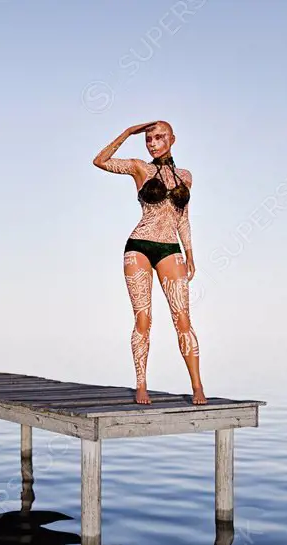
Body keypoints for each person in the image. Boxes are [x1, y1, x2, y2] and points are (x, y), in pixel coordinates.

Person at [93, 121, 206, 405]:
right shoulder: (139, 167)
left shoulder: (185, 176)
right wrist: (128, 132)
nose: (152, 143)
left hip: (170, 247)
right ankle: (141, 384)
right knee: (143, 319)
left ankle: (197, 386)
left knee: (183, 319)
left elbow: (183, 218)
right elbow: (100, 160)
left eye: (158, 137)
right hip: (139, 246)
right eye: (148, 139)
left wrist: (190, 254)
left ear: (172, 139)